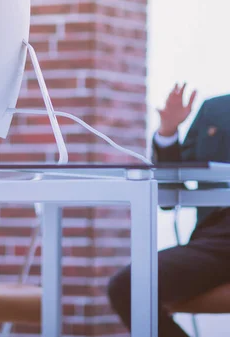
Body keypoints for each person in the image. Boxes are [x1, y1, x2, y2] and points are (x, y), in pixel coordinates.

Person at [107, 83, 230, 337]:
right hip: (218, 241)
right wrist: (168, 131)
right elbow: (168, 194)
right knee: (128, 286)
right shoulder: (214, 110)